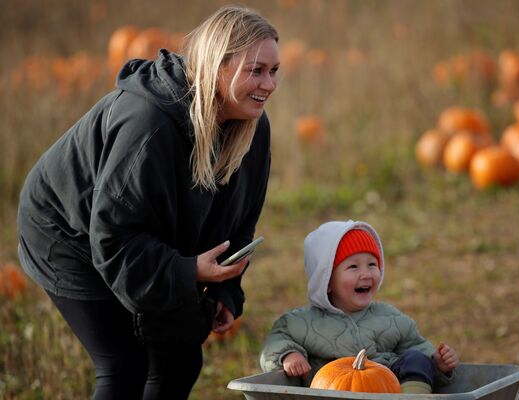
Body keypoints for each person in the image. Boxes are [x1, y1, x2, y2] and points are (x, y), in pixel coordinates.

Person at [16, 5, 279, 399]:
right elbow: (114, 236)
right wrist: (187, 271)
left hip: (141, 236)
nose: (269, 84)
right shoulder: (148, 124)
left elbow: (240, 221)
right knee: (125, 364)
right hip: (69, 231)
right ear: (216, 66)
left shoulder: (252, 127)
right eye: (255, 70)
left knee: (181, 358)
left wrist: (226, 291)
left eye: (274, 71)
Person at [260, 220, 459, 394]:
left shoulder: (390, 317)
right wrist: (288, 355)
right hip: (332, 389)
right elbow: (275, 342)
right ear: (327, 281)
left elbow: (417, 346)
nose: (366, 274)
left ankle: (413, 398)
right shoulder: (302, 322)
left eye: (372, 264)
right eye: (353, 267)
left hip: (386, 389)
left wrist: (438, 364)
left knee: (416, 358)